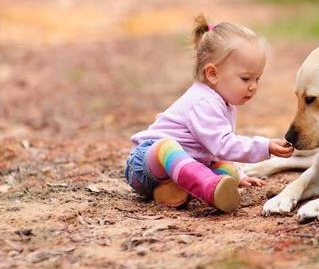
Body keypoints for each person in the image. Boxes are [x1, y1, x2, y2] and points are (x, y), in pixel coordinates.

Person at [125, 15, 293, 212]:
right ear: (212, 74)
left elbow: (216, 150)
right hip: (146, 163)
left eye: (258, 78)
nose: (253, 86)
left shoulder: (224, 102)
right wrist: (265, 146)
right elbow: (223, 144)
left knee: (227, 168)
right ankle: (208, 188)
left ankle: (172, 190)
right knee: (167, 146)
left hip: (180, 168)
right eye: (246, 78)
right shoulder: (204, 102)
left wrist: (238, 175)